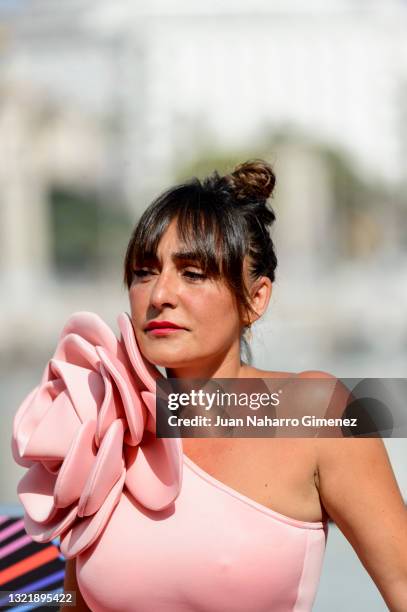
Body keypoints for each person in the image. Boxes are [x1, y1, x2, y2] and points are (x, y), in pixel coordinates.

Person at [13, 160, 407, 611]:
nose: (160, 294)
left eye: (193, 273)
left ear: (255, 299)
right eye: (144, 271)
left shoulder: (318, 412)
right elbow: (72, 601)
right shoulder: (108, 422)